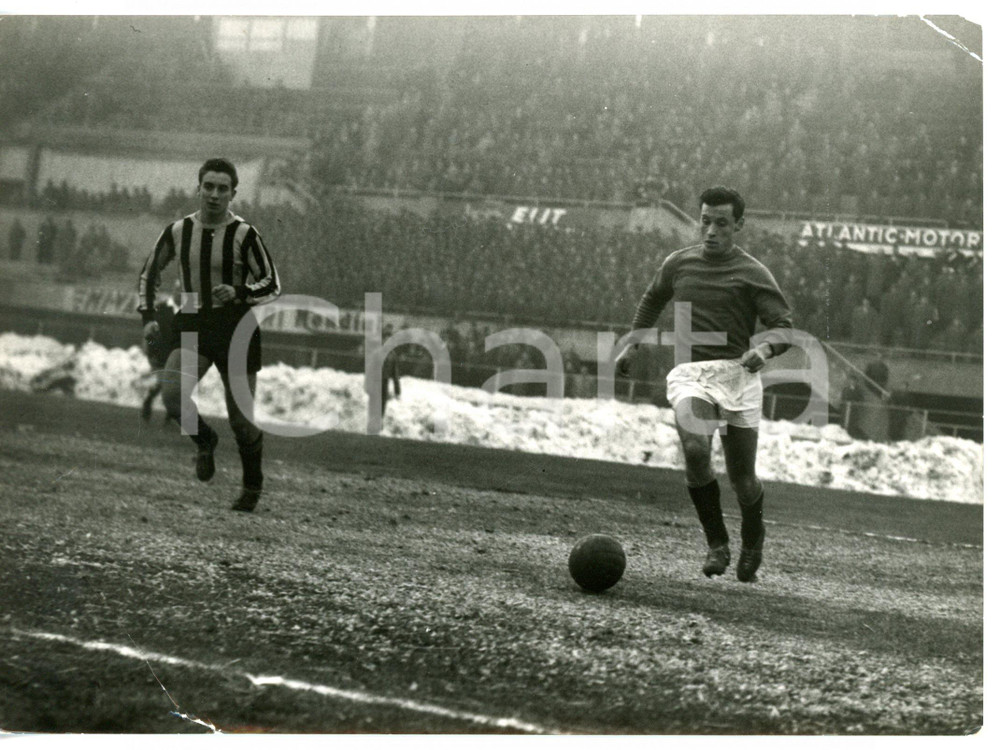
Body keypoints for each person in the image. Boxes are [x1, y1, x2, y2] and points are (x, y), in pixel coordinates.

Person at [615, 186, 793, 583]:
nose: (711, 231)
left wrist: (763, 351)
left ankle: (753, 536)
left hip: (738, 376)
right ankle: (717, 543)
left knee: (742, 478)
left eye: (722, 223)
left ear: (739, 225)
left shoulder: (753, 272)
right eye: (706, 221)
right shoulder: (679, 263)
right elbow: (652, 299)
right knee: (696, 450)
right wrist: (631, 344)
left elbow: (783, 326)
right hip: (690, 375)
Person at [137, 158, 281, 512]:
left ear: (233, 194)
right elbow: (149, 273)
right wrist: (148, 315)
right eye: (209, 187)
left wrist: (241, 292)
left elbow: (272, 283)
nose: (214, 195)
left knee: (242, 422)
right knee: (172, 396)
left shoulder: (245, 234)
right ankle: (205, 440)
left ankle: (252, 485)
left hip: (236, 328)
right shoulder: (177, 231)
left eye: (222, 189)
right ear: (197, 188)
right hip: (193, 322)